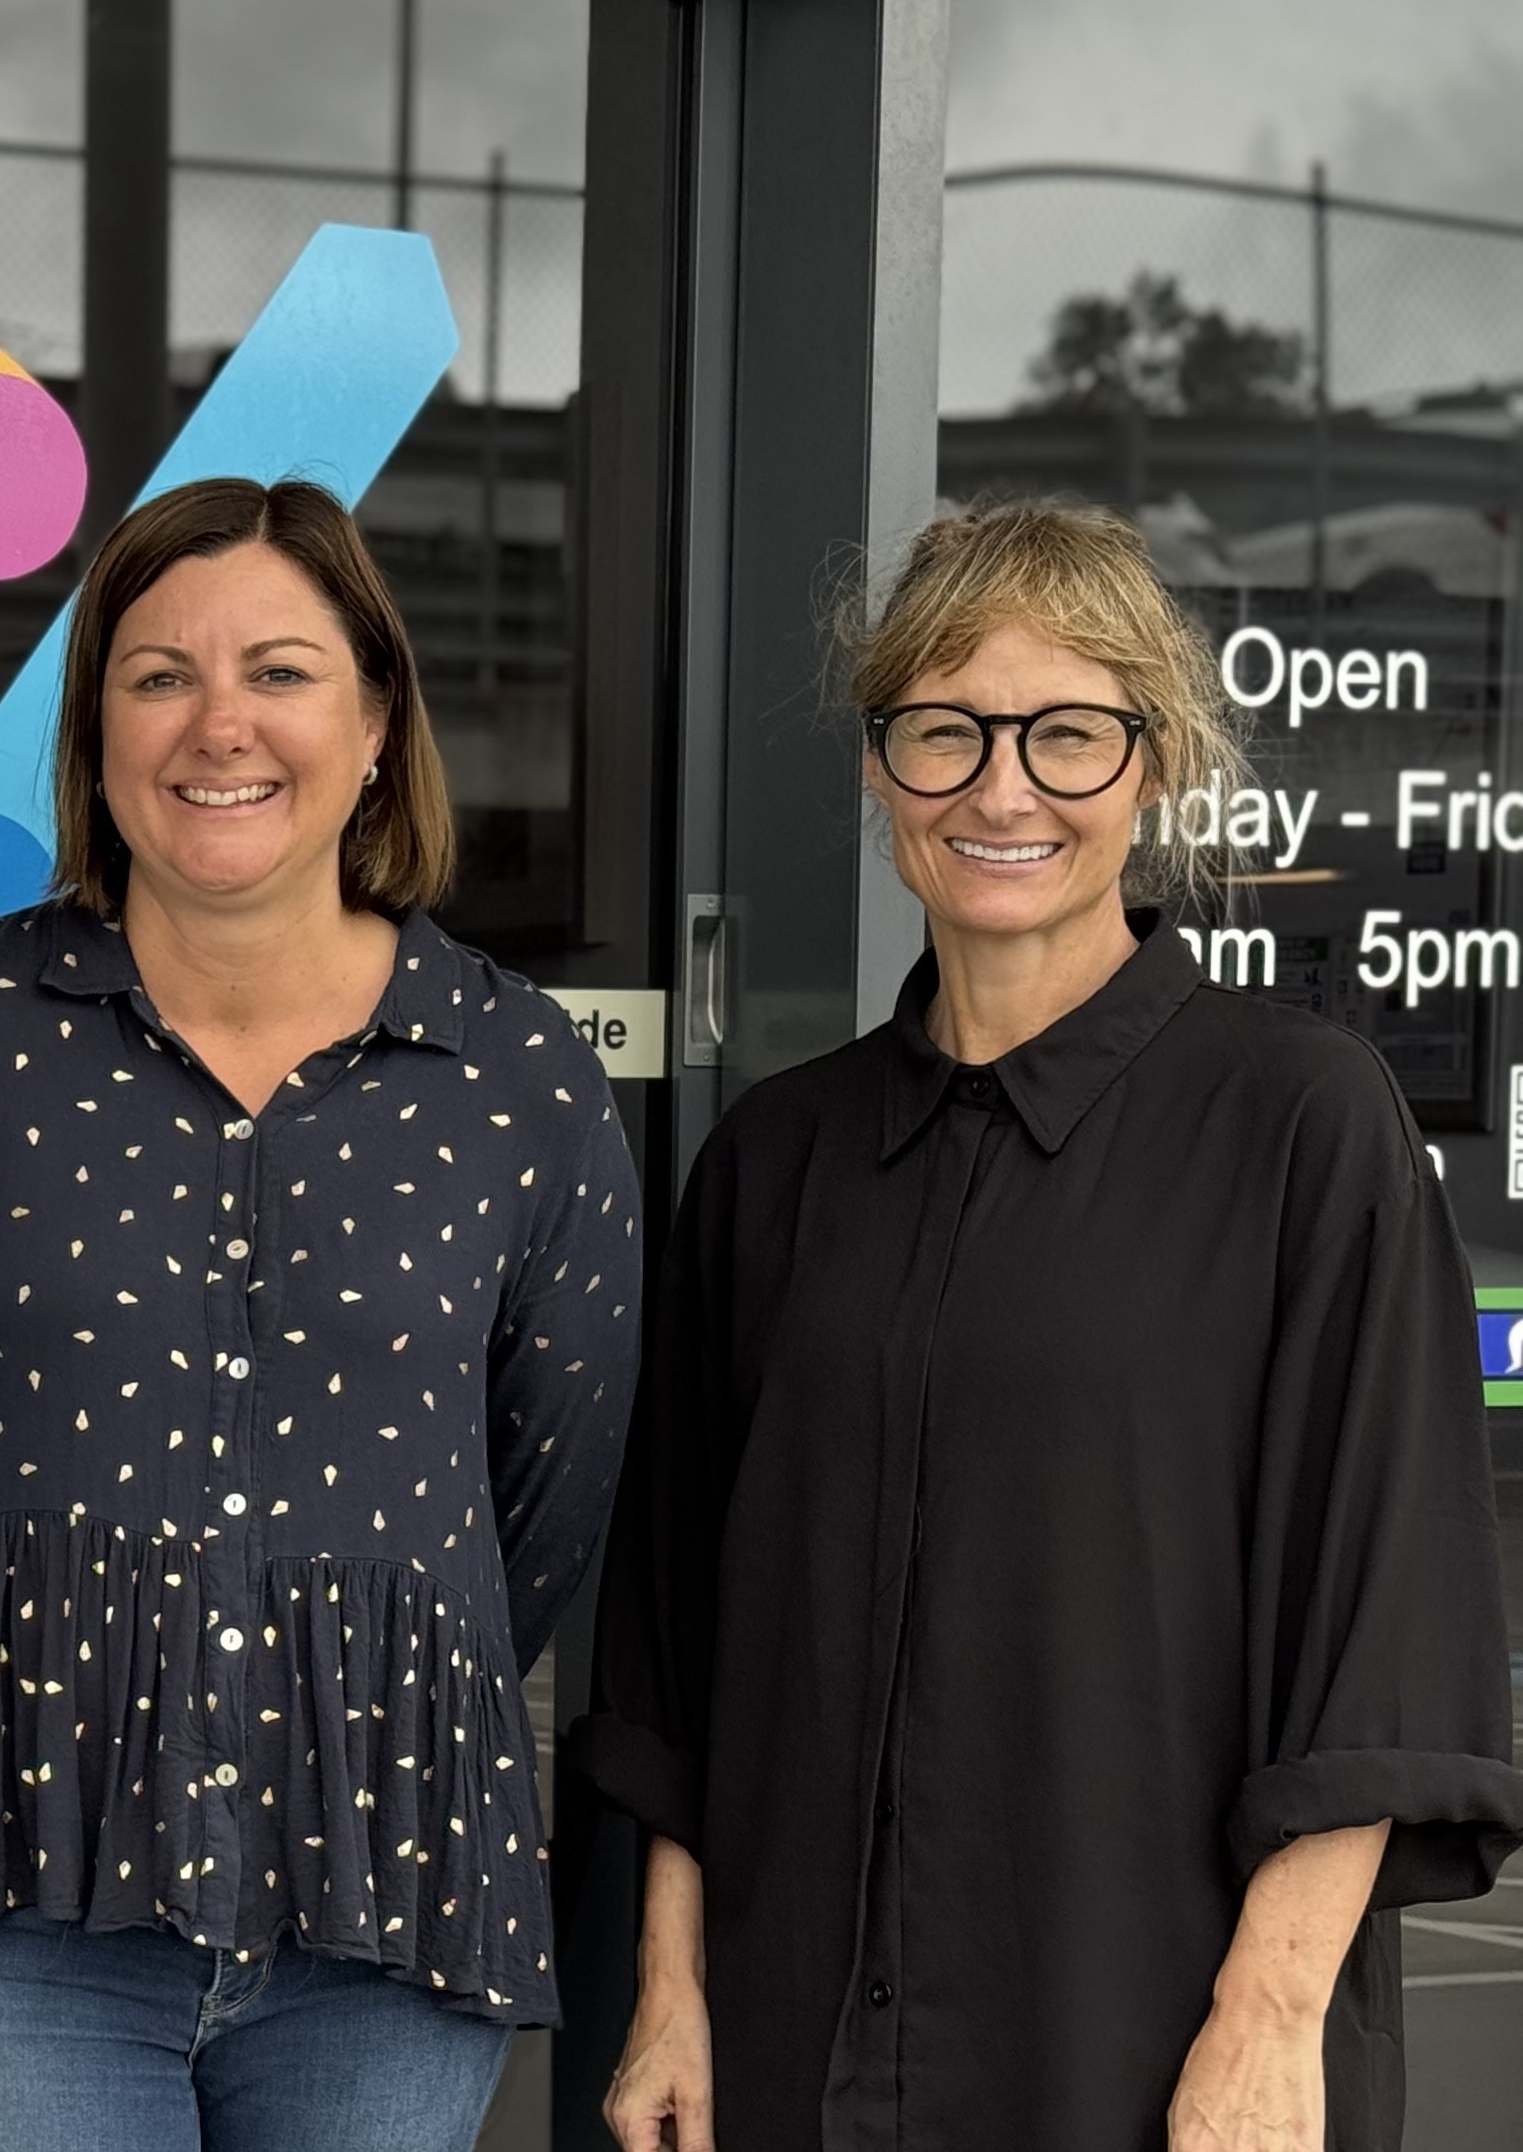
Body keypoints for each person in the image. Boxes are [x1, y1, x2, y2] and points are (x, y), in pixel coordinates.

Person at [580, 496, 1523, 2152]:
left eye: (1068, 733)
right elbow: (677, 1648)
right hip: (797, 2050)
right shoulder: (775, 1163)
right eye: (945, 730)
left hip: (1150, 2050)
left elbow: (1381, 1623)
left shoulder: (1302, 1124)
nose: (1001, 789)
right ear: (880, 769)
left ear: (1154, 764)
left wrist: (1267, 2021)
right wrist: (672, 1992)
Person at [0, 476, 641, 2151]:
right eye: (159, 674)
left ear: (377, 722)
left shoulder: (518, 1074)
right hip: (7, 1880)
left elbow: (544, 1496)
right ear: (96, 730)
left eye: (281, 671)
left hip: (389, 1889)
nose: (218, 724)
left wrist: (352, 1659)